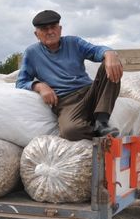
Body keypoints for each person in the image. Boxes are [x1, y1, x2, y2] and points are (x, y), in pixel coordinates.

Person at [16, 10, 124, 140]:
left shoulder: (74, 42)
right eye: (44, 29)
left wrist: (109, 53)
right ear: (36, 34)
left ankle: (101, 122)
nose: (50, 32)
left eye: (53, 27)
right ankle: (94, 130)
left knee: (112, 64)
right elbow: (21, 82)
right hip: (66, 102)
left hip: (89, 93)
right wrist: (39, 86)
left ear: (60, 29)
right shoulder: (32, 53)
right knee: (70, 132)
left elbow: (96, 50)